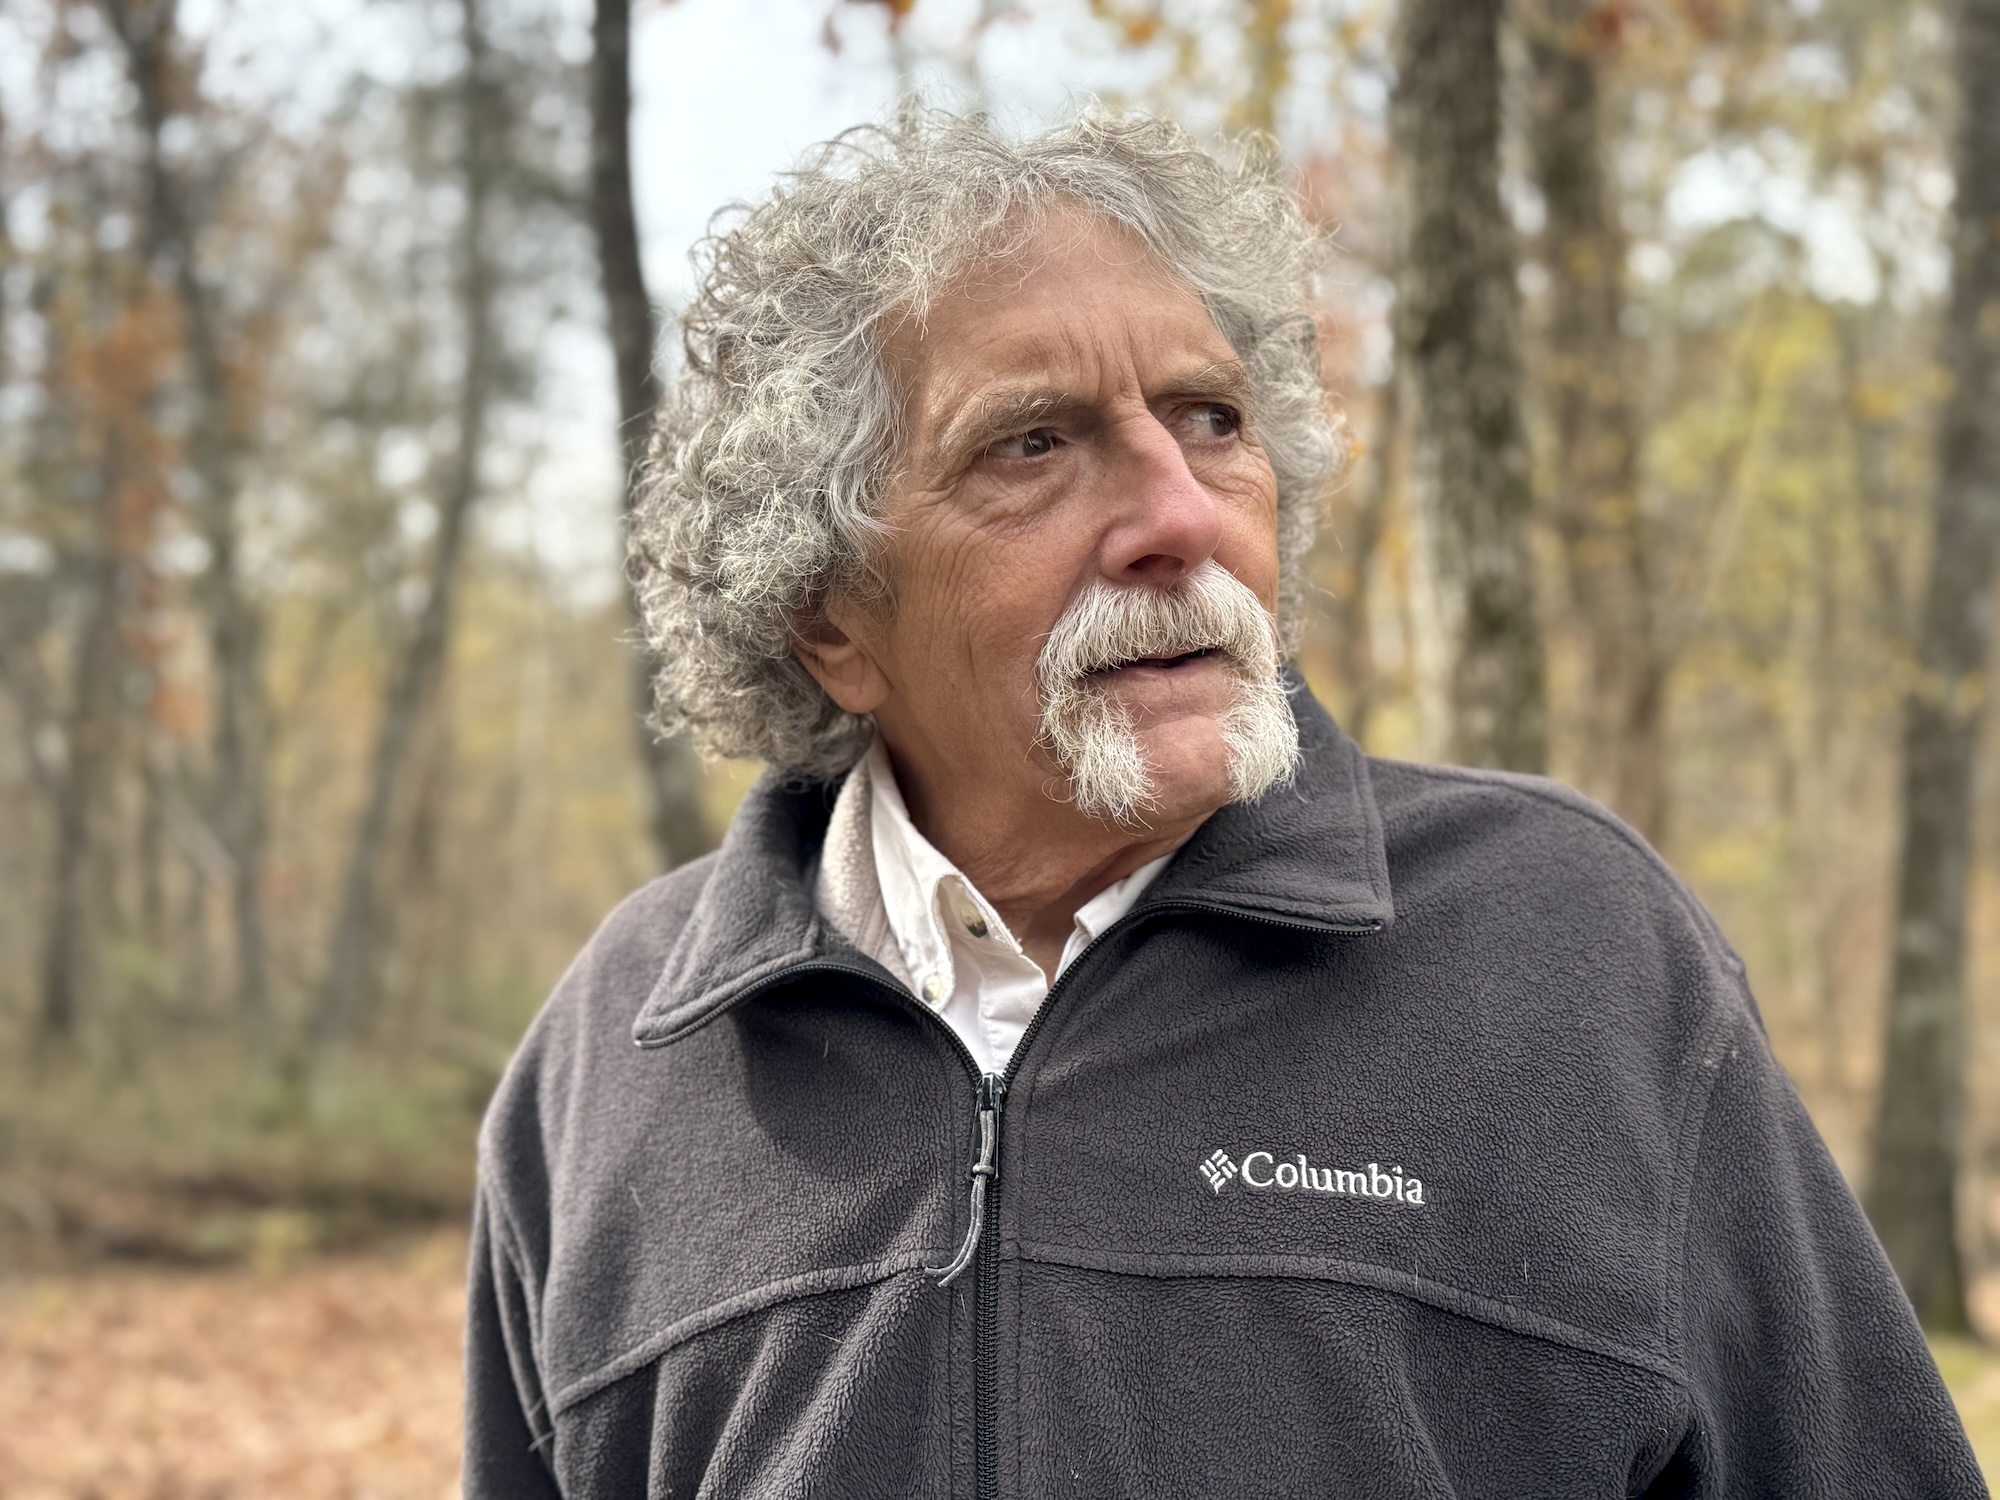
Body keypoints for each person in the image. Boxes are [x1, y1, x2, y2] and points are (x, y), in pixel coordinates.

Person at [462, 110, 1983, 1499]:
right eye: (1032, 444)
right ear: (832, 623)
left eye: (1211, 419)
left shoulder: (1580, 955)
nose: (1178, 518)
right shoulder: (620, 1052)